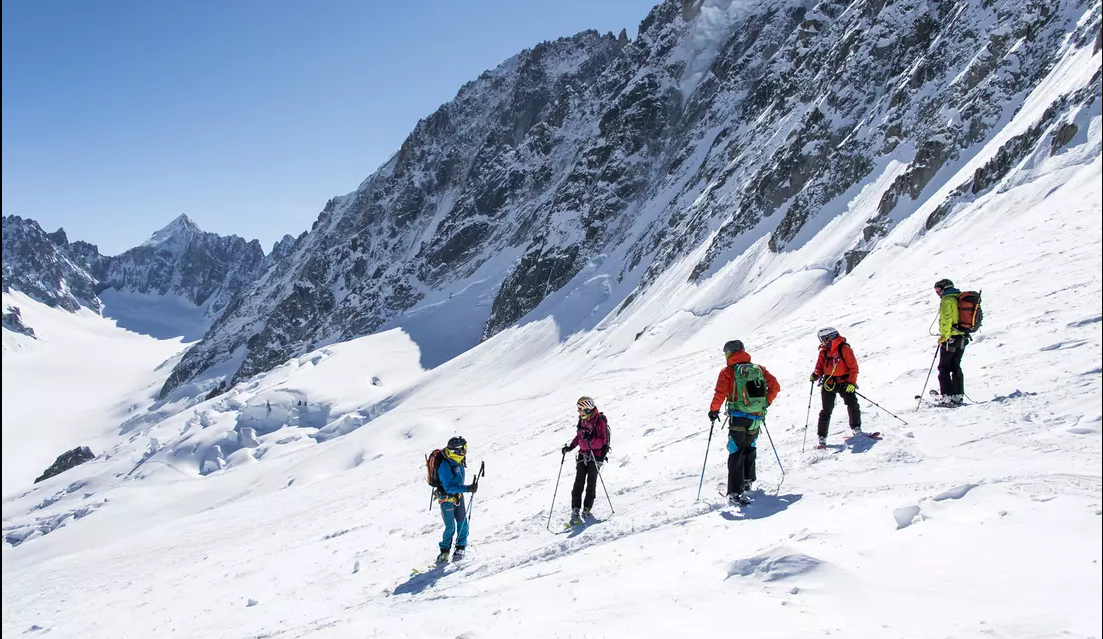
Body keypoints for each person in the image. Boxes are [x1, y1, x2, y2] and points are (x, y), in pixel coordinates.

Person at [707, 340, 780, 505]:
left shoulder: (728, 372)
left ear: (730, 353)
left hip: (738, 417)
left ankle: (734, 492)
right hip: (756, 417)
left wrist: (713, 411)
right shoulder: (759, 369)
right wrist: (764, 403)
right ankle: (748, 481)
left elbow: (720, 393)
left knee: (735, 451)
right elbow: (774, 386)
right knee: (750, 447)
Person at [810, 327, 863, 448]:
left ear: (829, 338)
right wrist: (816, 374)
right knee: (826, 410)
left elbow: (853, 367)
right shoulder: (823, 352)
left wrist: (851, 383)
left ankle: (856, 428)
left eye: (822, 339)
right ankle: (822, 436)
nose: (821, 342)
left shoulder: (844, 349)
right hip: (829, 383)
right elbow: (819, 367)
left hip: (844, 382)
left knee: (852, 404)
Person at [562, 396, 609, 526]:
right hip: (583, 456)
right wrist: (570, 447)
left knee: (590, 485)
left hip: (595, 457)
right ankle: (575, 511)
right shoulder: (582, 420)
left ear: (587, 409)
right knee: (578, 484)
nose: (579, 411)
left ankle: (587, 510)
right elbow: (579, 437)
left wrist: (590, 439)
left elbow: (602, 441)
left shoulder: (599, 421)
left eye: (580, 409)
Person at [435, 436, 478, 563]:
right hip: (446, 499)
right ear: (457, 450)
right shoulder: (445, 465)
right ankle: (444, 551)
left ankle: (460, 546)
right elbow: (448, 487)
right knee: (450, 526)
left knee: (462, 522)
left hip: (458, 496)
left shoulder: (458, 459)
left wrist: (467, 488)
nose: (465, 451)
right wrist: (467, 489)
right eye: (464, 449)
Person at [934, 278, 967, 405]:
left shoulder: (947, 300)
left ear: (945, 288)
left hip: (951, 338)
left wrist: (944, 336)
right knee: (956, 365)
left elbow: (946, 319)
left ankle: (947, 396)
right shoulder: (959, 298)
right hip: (962, 337)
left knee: (944, 367)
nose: (938, 293)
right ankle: (958, 395)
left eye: (938, 289)